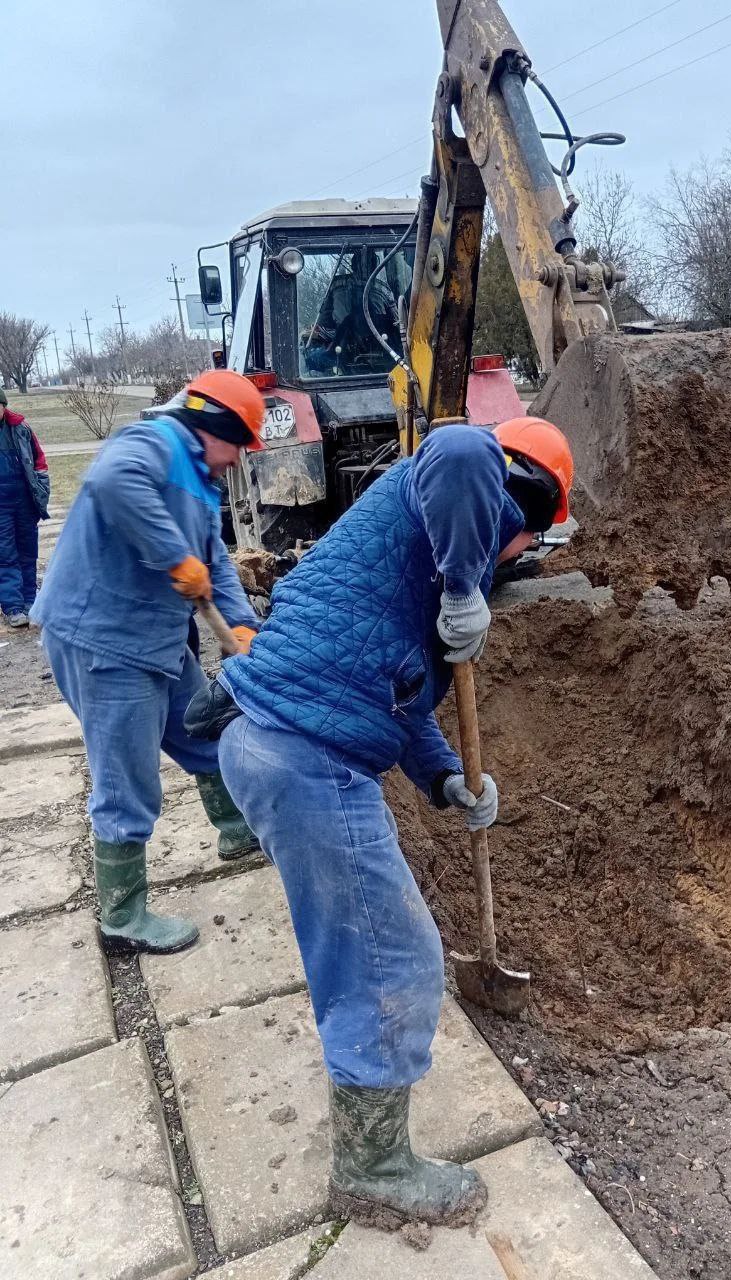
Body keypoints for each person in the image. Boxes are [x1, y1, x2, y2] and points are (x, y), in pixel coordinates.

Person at [211, 417, 574, 1230]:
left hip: (273, 743)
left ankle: (367, 1136)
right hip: (307, 758)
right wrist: (465, 588)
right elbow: (459, 448)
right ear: (527, 507)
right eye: (532, 538)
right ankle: (371, 1170)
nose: (519, 555)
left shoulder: (413, 557)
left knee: (358, 951)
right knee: (390, 963)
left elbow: (400, 700)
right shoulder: (458, 485)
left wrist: (446, 781)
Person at [31, 370, 266, 955]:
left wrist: (242, 627)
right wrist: (173, 556)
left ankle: (237, 831)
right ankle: (122, 917)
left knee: (206, 729)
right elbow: (111, 481)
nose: (239, 460)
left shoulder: (202, 480)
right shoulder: (154, 444)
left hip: (156, 639)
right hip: (105, 640)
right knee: (127, 778)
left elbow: (212, 566)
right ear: (217, 428)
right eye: (240, 445)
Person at [0, 386, 49, 628]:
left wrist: (42, 491)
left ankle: (31, 601)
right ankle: (13, 607)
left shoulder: (21, 428)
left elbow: (39, 462)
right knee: (5, 555)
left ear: (3, 406)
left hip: (24, 501)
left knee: (28, 552)